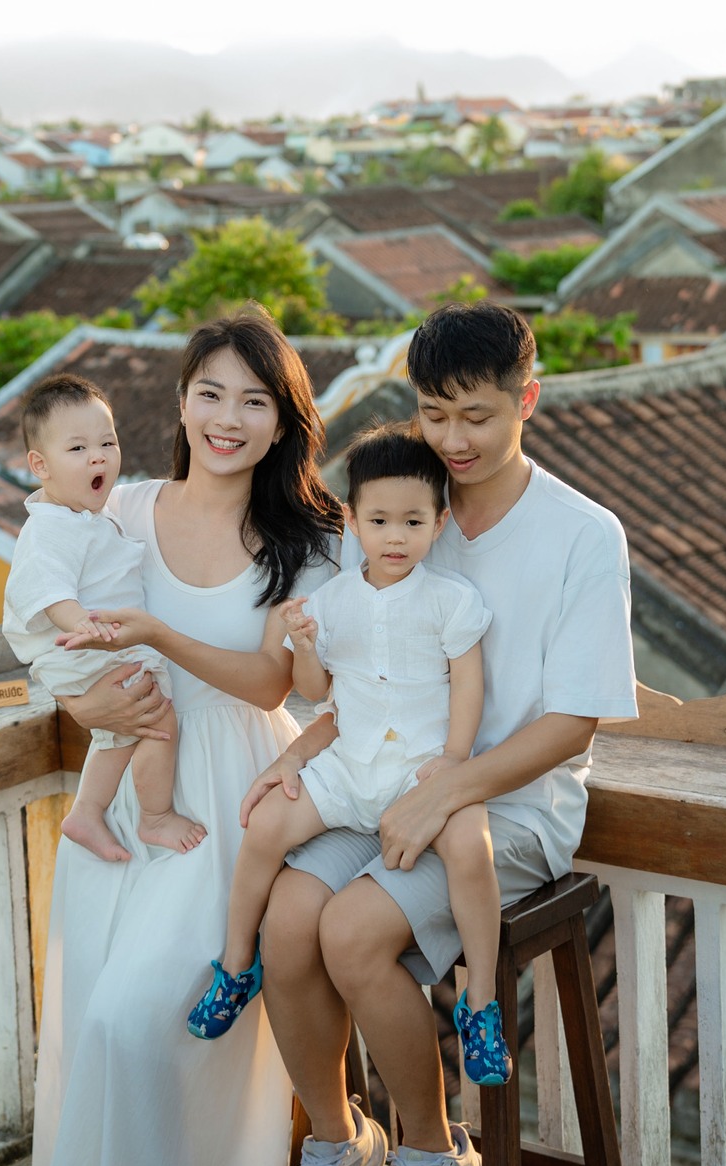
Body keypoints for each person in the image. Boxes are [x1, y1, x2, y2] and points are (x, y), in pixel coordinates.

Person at [254, 303, 640, 1166]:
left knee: (351, 932)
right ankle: (339, 1142)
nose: (454, 440)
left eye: (477, 416)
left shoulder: (582, 535)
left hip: (510, 810)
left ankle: (433, 1153)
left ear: (526, 400)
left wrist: (446, 792)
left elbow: (572, 722)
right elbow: (348, 679)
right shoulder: (397, 512)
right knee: (286, 920)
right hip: (381, 785)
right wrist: (297, 755)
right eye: (434, 414)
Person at [31, 309, 343, 1166]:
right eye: (210, 394)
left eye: (253, 401)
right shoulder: (119, 508)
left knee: (136, 1026)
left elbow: (273, 683)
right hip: (124, 787)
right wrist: (83, 706)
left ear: (282, 423)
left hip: (232, 790)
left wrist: (161, 637)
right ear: (180, 402)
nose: (227, 419)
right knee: (96, 1017)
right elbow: (46, 614)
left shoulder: (306, 542)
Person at [186, 425, 512, 1097]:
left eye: (414, 522)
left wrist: (455, 761)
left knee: (470, 845)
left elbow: (468, 686)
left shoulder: (451, 600)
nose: (396, 536)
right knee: (267, 825)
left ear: (438, 523)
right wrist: (305, 645)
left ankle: (480, 1001)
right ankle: (238, 963)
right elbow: (316, 693)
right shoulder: (331, 601)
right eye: (380, 520)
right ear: (354, 520)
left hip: (423, 771)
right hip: (348, 768)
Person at [0, 372, 203, 861]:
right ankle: (154, 817)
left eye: (107, 443)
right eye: (78, 448)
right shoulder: (48, 528)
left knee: (123, 730)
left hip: (96, 645)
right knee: (158, 719)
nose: (98, 457)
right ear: (40, 465)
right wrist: (82, 624)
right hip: (81, 645)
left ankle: (87, 812)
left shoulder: (90, 514)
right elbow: (49, 593)